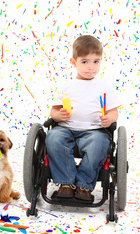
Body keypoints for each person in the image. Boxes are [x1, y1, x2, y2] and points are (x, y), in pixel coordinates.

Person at [45, 35, 120, 201]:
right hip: (66, 128)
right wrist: (59, 115)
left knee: (99, 143)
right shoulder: (67, 86)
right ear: (74, 62)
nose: (91, 67)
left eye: (96, 61)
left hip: (94, 131)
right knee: (53, 137)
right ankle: (66, 183)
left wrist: (110, 118)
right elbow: (54, 111)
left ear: (101, 61)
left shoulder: (104, 87)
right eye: (85, 62)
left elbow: (114, 112)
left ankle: (83, 186)